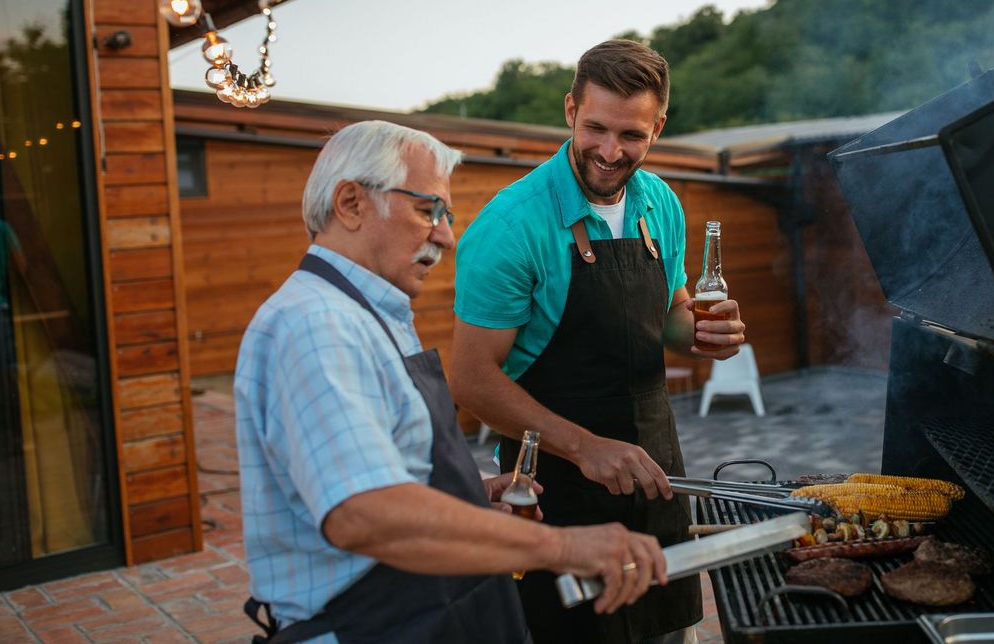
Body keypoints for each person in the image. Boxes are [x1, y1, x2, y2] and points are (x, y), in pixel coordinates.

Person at [234, 120, 668, 644]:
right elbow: (364, 515)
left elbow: (378, 473)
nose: (445, 235)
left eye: (446, 215)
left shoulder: (365, 314)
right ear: (350, 203)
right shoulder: (318, 324)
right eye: (427, 210)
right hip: (366, 625)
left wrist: (464, 494)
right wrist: (564, 548)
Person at [450, 40, 748, 644]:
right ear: (569, 111)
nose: (611, 152)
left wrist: (702, 333)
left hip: (656, 470)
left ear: (658, 127)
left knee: (669, 630)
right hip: (554, 488)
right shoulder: (510, 227)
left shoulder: (660, 202)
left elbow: (668, 315)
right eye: (596, 129)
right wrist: (585, 448)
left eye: (632, 135)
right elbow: (473, 380)